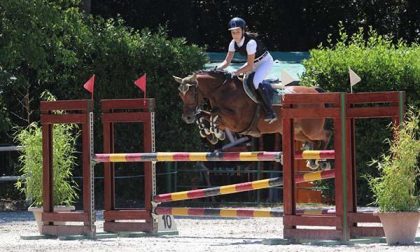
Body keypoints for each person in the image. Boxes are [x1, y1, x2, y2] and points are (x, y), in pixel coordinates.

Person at [217, 17, 277, 123]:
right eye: (233, 32)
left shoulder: (251, 43)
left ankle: (270, 112)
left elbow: (249, 66)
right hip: (253, 62)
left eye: (238, 32)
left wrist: (235, 72)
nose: (235, 35)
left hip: (264, 62)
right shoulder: (233, 43)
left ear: (243, 31)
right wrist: (217, 69)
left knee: (255, 82)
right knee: (242, 81)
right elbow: (227, 62)